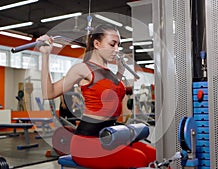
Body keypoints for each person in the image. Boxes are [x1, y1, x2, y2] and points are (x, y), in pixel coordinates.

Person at [38, 24, 156, 169]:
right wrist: (45, 55)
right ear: (97, 44)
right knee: (138, 158)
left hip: (110, 136)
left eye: (118, 45)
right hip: (87, 143)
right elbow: (48, 93)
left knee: (153, 155)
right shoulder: (83, 68)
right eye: (112, 44)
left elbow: (112, 98)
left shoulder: (109, 72)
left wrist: (119, 71)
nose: (116, 49)